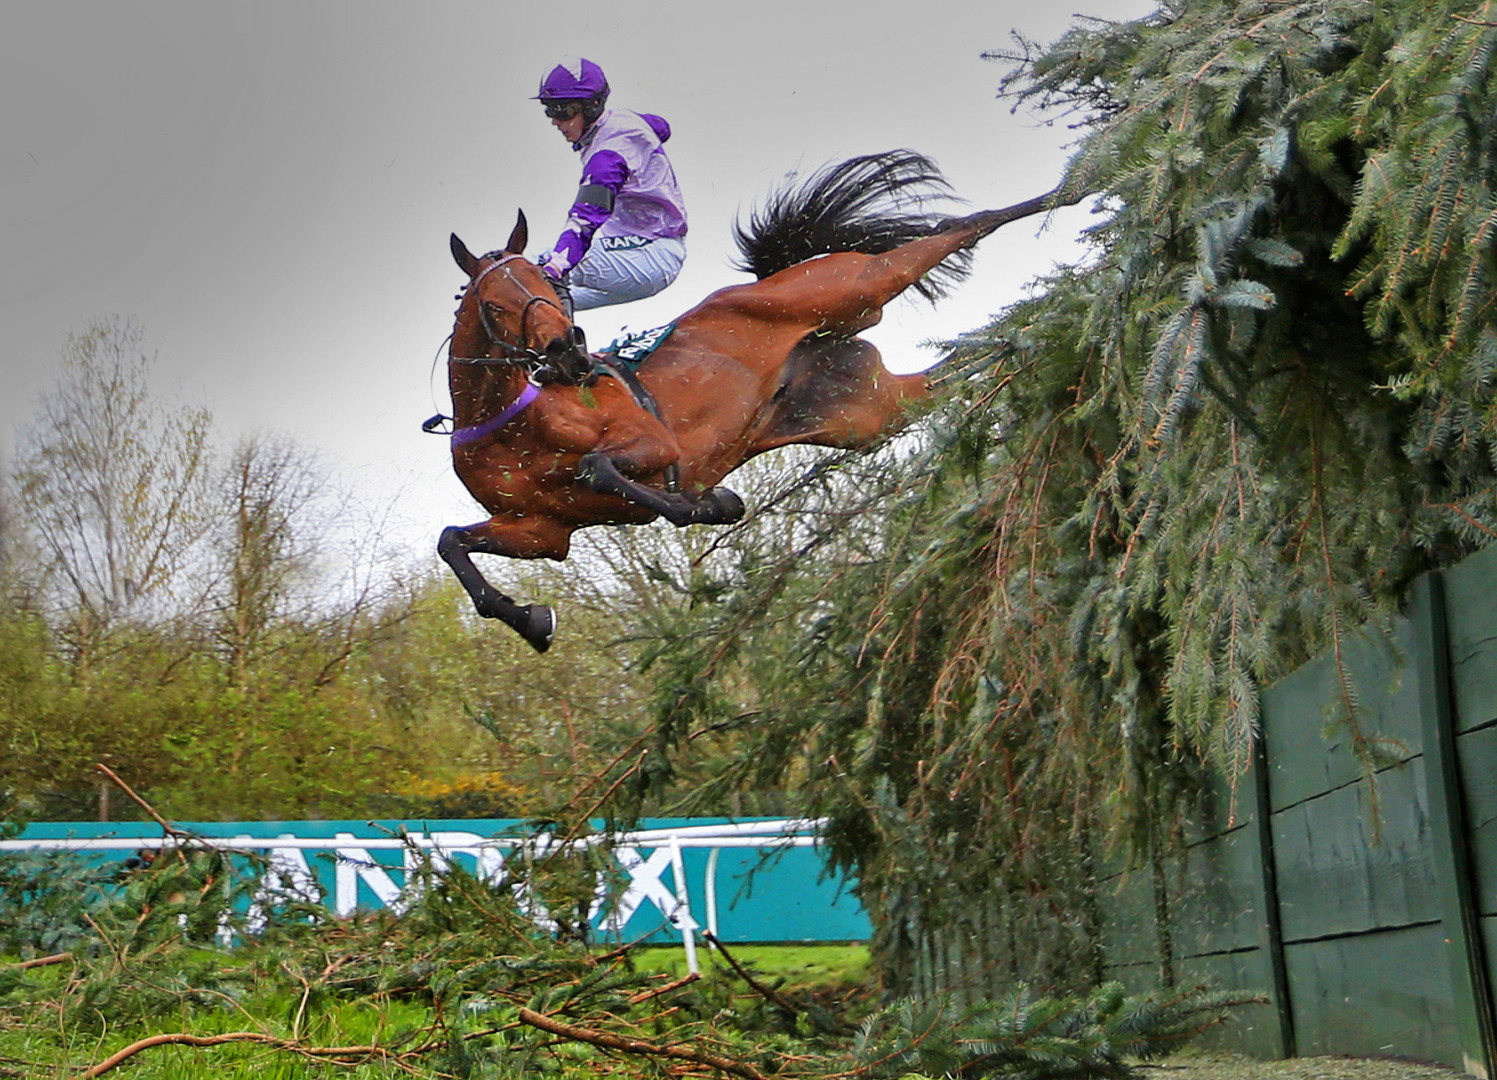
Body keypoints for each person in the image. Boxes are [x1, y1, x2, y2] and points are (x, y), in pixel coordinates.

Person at [533, 58, 687, 314]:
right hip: (641, 253)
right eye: (549, 110)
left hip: (649, 256)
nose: (555, 121)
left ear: (592, 105)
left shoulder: (607, 159)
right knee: (542, 303)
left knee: (541, 266)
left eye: (563, 111)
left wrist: (553, 267)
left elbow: (584, 220)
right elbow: (662, 126)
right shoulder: (624, 120)